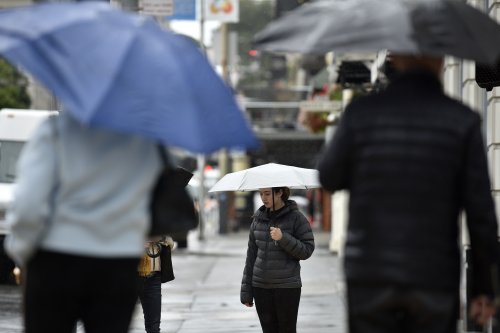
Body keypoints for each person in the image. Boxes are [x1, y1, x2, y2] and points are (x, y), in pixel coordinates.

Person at [317, 54, 500, 333]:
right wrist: (484, 289)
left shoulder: (361, 114)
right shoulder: (462, 120)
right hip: (433, 275)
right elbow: (480, 212)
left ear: (397, 59)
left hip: (370, 273)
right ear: (439, 61)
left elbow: (329, 177)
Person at [4, 112, 163, 333]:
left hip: (55, 259)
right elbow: (159, 202)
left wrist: (21, 252)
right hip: (117, 263)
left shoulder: (55, 130)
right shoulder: (144, 141)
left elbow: (29, 208)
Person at [241, 186, 315, 333]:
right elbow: (251, 257)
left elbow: (307, 250)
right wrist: (246, 292)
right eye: (261, 194)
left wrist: (283, 238)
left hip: (286, 287)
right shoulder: (257, 219)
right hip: (260, 287)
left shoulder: (296, 218)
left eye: (267, 193)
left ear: (280, 192)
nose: (263, 198)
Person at [137, 235, 175, 333]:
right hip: (127, 275)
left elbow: (170, 242)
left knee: (154, 327)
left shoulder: (158, 222)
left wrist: (160, 238)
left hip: (153, 276)